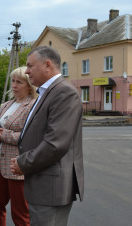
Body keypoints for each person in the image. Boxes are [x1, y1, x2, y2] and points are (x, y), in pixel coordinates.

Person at [10, 46, 84, 226]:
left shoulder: (63, 92)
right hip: (44, 184)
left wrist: (23, 163)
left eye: (30, 66)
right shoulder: (48, 92)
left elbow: (55, 143)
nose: (26, 71)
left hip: (51, 188)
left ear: (47, 65)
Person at [0, 66, 37, 226]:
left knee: (20, 213)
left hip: (18, 164)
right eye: (13, 81)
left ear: (29, 85)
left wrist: (1, 134)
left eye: (19, 82)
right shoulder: (6, 105)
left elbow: (29, 137)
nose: (14, 85)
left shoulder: (33, 106)